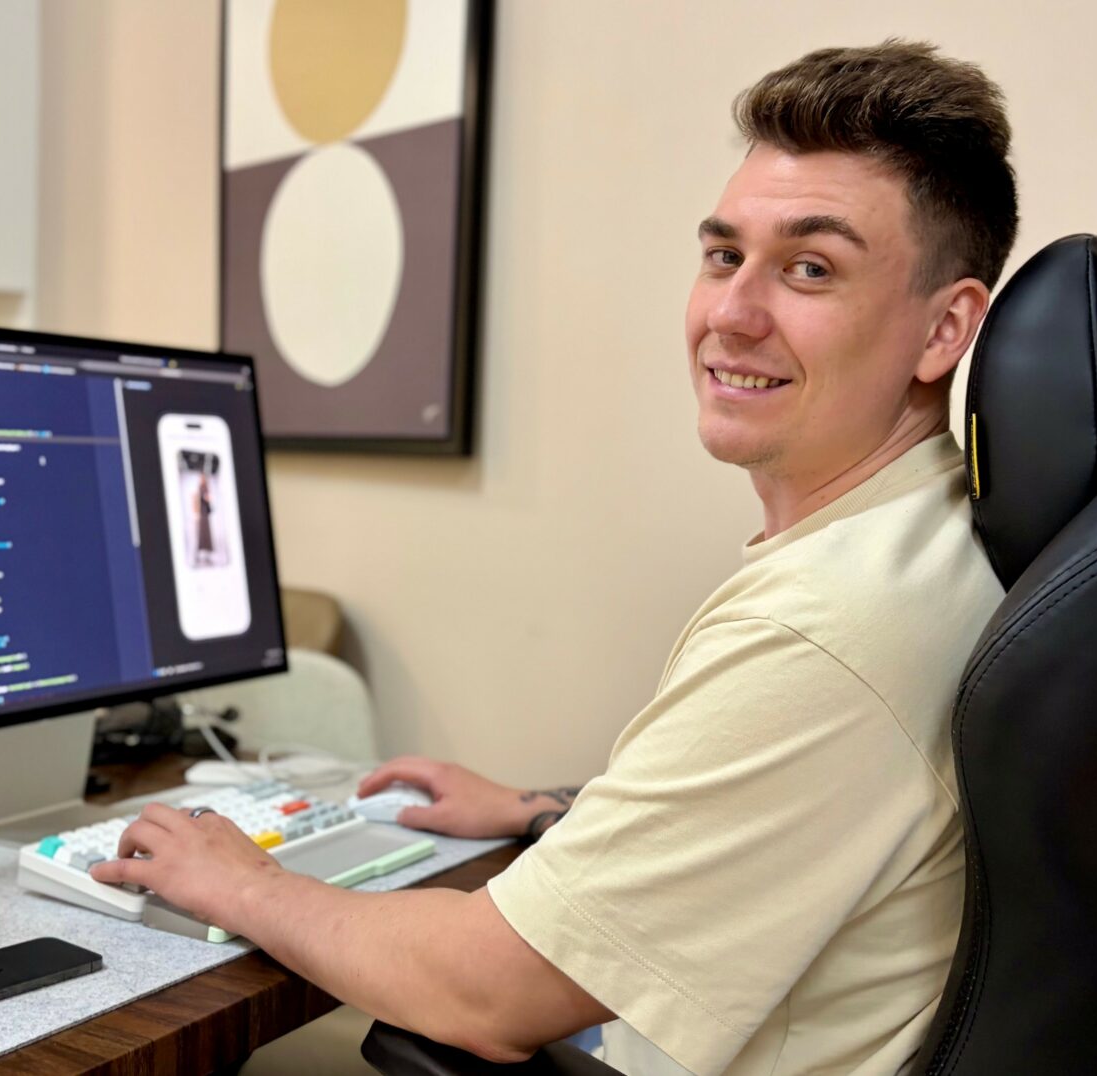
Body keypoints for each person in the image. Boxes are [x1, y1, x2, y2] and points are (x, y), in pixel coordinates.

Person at [93, 39, 1015, 1075]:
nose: (731, 313)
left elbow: (485, 992)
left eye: (811, 268)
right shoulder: (930, 537)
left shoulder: (825, 626)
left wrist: (243, 881)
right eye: (724, 256)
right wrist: (543, 811)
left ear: (945, 329)